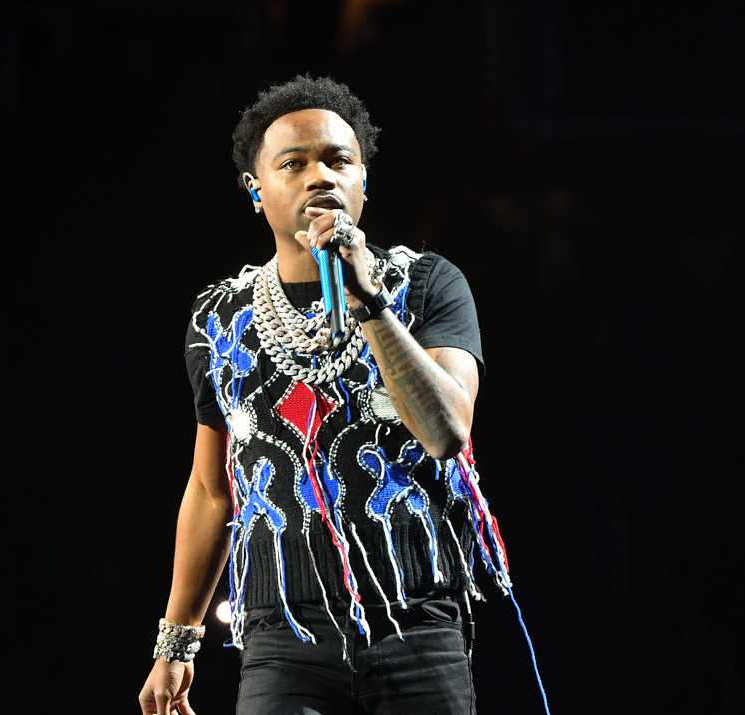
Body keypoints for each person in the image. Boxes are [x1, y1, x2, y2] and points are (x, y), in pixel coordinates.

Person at [139, 75, 512, 715]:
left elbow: (448, 429)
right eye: (294, 163)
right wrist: (177, 641)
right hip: (282, 633)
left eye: (339, 160)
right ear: (256, 192)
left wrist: (371, 305)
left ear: (363, 180)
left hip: (416, 625)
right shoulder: (220, 320)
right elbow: (210, 490)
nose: (320, 176)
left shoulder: (426, 286)